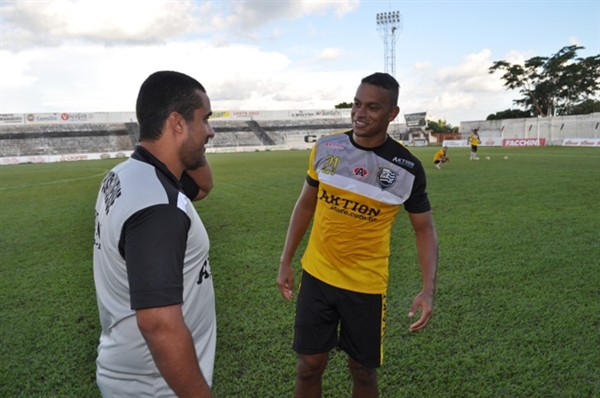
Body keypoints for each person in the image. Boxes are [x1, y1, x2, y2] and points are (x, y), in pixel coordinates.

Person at [277, 72, 439, 398]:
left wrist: (427, 289)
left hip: (365, 285)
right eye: (356, 104)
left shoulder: (406, 168)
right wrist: (286, 260)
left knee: (362, 371)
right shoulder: (327, 147)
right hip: (317, 275)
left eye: (372, 107)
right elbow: (306, 204)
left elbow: (424, 229)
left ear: (392, 113)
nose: (359, 114)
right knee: (309, 365)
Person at [93, 71, 216, 398]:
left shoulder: (129, 173)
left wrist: (189, 144)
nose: (211, 131)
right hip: (156, 385)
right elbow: (159, 326)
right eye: (204, 120)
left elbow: (203, 186)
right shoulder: (159, 209)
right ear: (177, 123)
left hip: (134, 371)